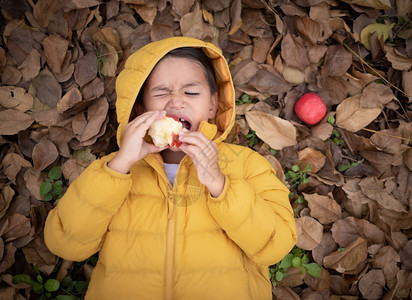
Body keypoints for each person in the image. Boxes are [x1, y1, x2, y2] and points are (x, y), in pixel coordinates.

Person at [44, 36, 297, 300]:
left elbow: (275, 246)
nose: (176, 101)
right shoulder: (113, 171)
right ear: (140, 109)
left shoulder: (246, 165)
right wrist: (119, 165)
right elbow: (65, 244)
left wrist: (220, 184)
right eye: (161, 92)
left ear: (212, 106)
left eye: (190, 92)